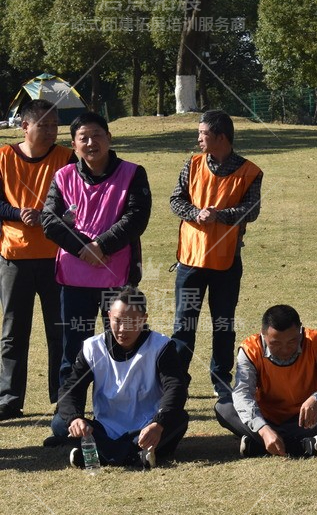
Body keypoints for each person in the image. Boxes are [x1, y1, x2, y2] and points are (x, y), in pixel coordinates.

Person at [41, 112, 152, 444]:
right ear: (73, 144)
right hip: (72, 280)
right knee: (71, 351)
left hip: (116, 283)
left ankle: (121, 418)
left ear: (109, 137)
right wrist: (82, 249)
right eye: (83, 138)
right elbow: (49, 221)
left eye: (97, 135)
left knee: (120, 348)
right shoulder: (62, 177)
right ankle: (67, 422)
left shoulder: (133, 173)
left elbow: (137, 217)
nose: (91, 143)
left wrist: (101, 245)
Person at [169, 110, 262, 401]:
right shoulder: (192, 164)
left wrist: (217, 215)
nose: (198, 138)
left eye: (203, 134)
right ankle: (176, 381)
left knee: (223, 324)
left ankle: (221, 380)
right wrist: (197, 213)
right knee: (184, 324)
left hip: (226, 263)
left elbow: (252, 210)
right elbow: (175, 200)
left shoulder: (250, 171)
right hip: (190, 261)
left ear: (221, 137)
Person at [57, 287, 188, 469]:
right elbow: (71, 388)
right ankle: (135, 456)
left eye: (131, 322)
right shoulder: (92, 347)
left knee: (178, 419)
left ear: (144, 319)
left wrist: (158, 423)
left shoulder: (161, 346)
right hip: (105, 428)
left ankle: (100, 454)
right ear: (109, 316)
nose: (122, 329)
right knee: (60, 423)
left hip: (146, 427)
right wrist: (75, 419)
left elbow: (176, 387)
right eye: (117, 321)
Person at [0, 100, 74, 420]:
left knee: (60, 330)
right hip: (13, 257)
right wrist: (18, 214)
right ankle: (9, 398)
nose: (50, 130)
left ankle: (62, 397)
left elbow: (77, 204)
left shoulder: (67, 158)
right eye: (42, 124)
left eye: (54, 124)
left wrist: (48, 215)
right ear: (24, 126)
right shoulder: (4, 157)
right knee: (13, 332)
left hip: (57, 258)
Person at [215, 304, 317, 458]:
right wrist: (263, 428)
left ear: (300, 331)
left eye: (292, 342)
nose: (285, 350)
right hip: (265, 417)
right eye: (275, 343)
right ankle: (300, 446)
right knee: (224, 408)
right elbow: (243, 393)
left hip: (306, 419)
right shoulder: (250, 349)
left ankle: (259, 446)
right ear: (263, 334)